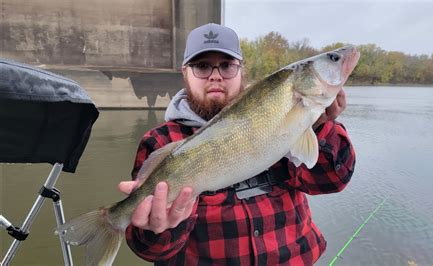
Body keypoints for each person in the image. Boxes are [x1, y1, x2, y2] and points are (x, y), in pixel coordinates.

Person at [118, 23, 355, 265]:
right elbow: (148, 249)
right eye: (201, 66)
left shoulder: (287, 116)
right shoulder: (161, 141)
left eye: (227, 65)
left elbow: (333, 180)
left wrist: (319, 126)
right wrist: (159, 229)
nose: (215, 75)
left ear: (242, 71)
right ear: (185, 73)